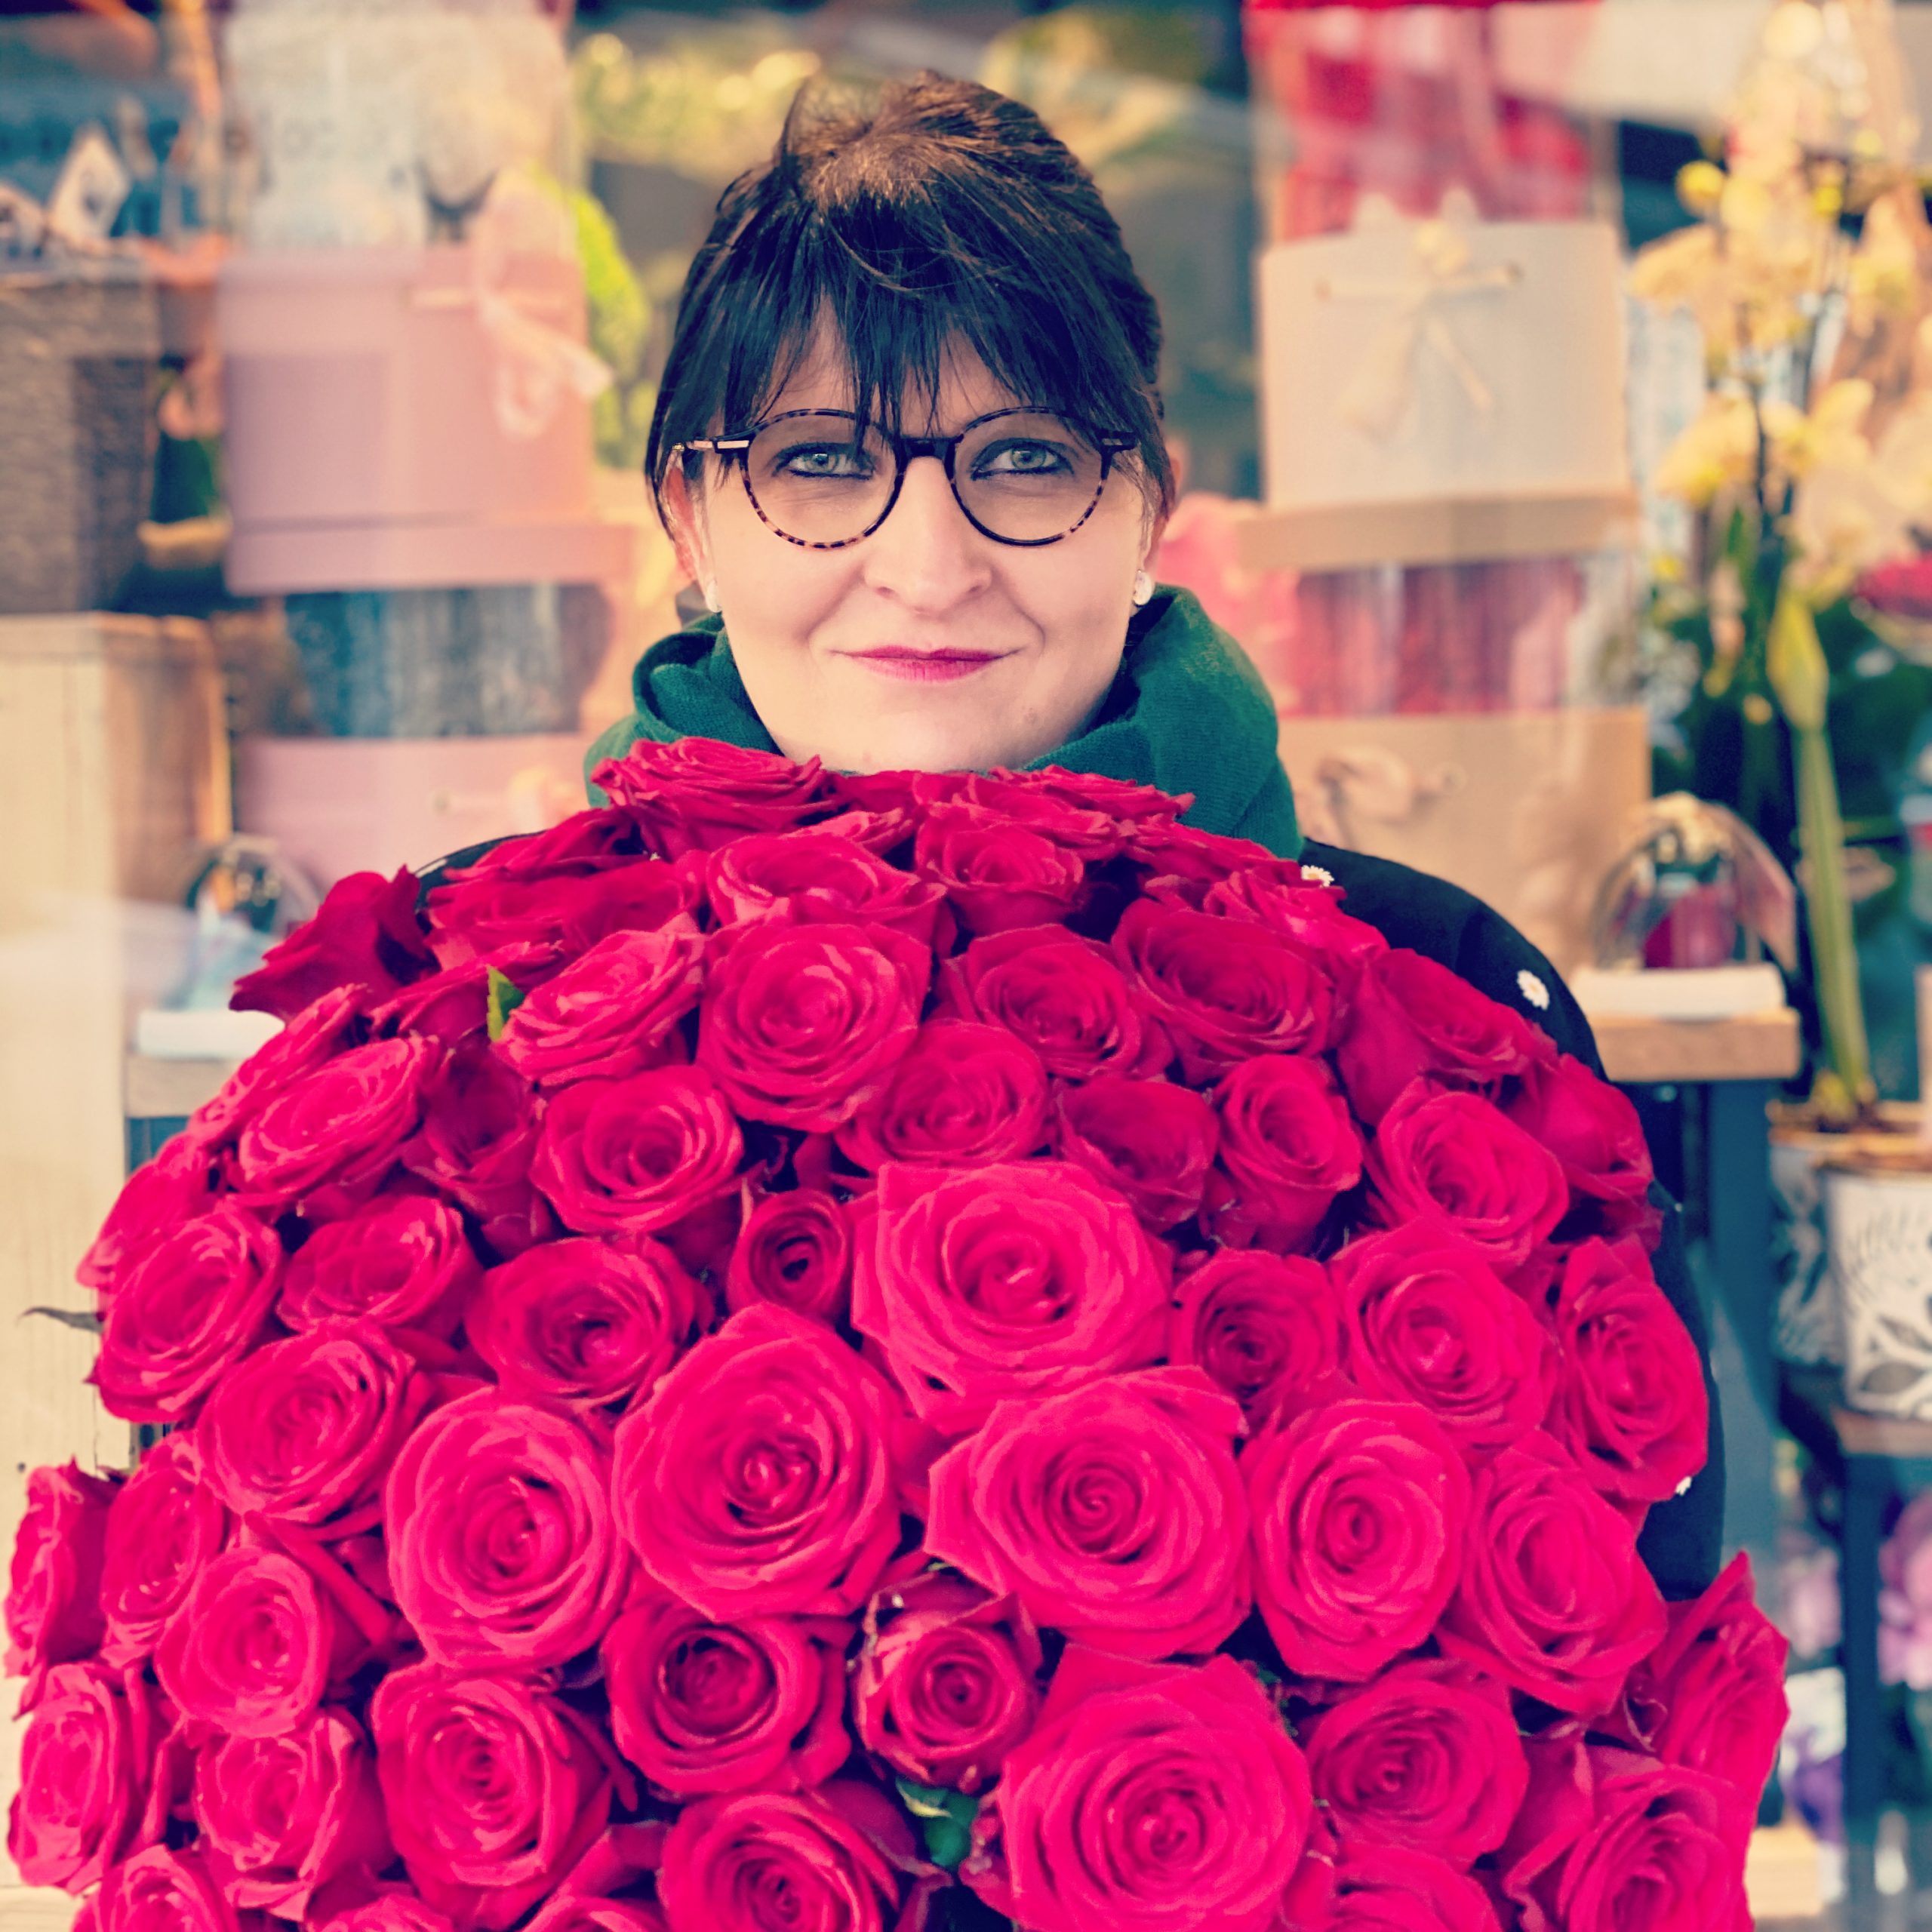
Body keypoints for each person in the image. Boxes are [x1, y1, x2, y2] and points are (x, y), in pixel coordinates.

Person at [572, 72, 1721, 1597]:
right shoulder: (516, 1005)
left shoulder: (1432, 992)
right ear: (689, 523)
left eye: (1026, 459)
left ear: (1146, 514)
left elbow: (1631, 1584)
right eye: (821, 461)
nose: (925, 566)